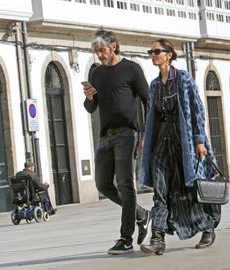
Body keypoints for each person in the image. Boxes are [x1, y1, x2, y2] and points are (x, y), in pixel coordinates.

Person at [139, 38, 221, 255]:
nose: (153, 55)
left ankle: (207, 228)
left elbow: (197, 109)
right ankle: (157, 238)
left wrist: (200, 140)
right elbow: (151, 117)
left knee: (189, 189)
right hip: (161, 143)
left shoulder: (183, 79)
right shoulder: (154, 85)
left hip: (183, 141)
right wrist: (146, 140)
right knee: (160, 192)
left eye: (157, 51)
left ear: (169, 54)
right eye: (151, 51)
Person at [83, 29, 150, 255]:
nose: (99, 55)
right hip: (105, 136)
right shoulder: (97, 74)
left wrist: (146, 133)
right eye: (96, 51)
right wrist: (90, 97)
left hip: (127, 133)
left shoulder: (131, 69)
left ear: (113, 47)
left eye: (101, 50)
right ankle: (140, 213)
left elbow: (147, 100)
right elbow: (91, 108)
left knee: (125, 184)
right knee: (102, 184)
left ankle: (126, 238)